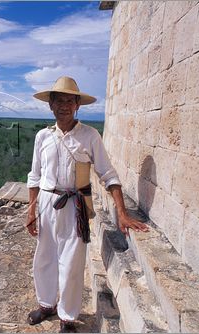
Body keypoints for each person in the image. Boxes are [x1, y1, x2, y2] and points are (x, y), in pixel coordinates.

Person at [26, 76, 149, 333]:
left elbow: (109, 175)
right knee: (44, 256)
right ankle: (46, 304)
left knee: (72, 262)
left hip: (75, 205)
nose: (64, 105)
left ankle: (67, 317)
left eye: (69, 101)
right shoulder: (42, 137)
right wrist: (31, 210)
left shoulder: (90, 136)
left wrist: (122, 214)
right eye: (58, 100)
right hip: (47, 203)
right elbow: (34, 176)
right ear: (51, 105)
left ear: (77, 105)